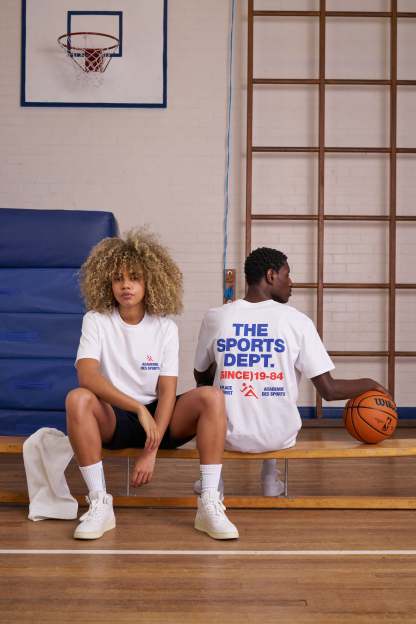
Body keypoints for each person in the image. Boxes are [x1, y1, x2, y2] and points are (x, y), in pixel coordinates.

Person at [66, 229, 238, 541]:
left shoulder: (165, 328)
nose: (126, 285)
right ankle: (100, 503)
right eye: (118, 278)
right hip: (115, 418)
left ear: (150, 282)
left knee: (212, 396)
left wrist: (151, 450)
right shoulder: (96, 320)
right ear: (107, 283)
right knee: (77, 398)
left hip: (160, 420)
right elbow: (87, 377)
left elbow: (167, 391)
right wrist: (137, 409)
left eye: (134, 278)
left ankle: (209, 502)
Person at [194, 246, 389, 496]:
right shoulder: (297, 321)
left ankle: (213, 482)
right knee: (271, 391)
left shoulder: (216, 317)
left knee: (208, 391)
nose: (291, 282)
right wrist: (371, 383)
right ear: (271, 275)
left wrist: (229, 368)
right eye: (287, 274)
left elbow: (200, 376)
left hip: (226, 436)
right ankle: (269, 479)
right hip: (279, 436)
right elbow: (329, 390)